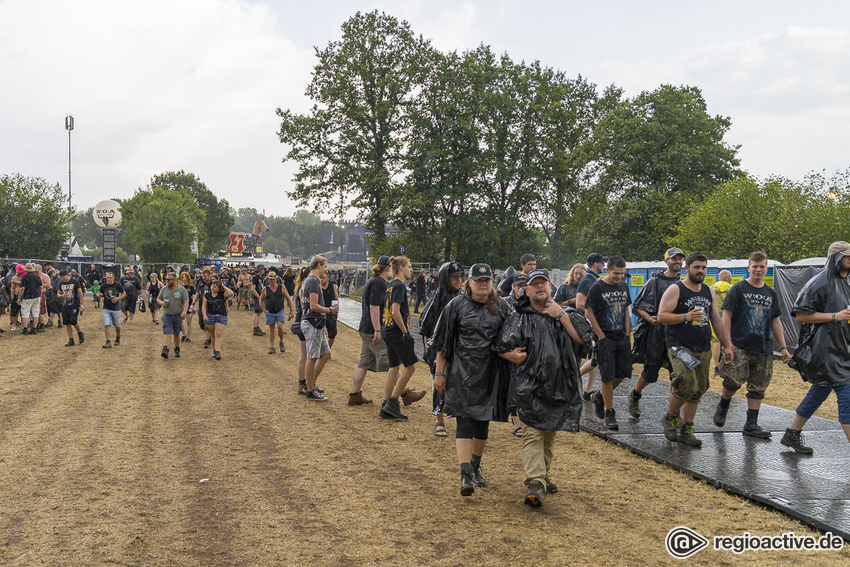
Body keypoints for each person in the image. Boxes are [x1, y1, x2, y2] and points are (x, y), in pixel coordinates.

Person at [497, 269, 584, 507]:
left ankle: (543, 474)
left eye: (542, 283)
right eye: (534, 284)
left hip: (560, 385)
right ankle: (535, 483)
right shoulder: (519, 317)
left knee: (549, 432)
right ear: (527, 290)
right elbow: (501, 345)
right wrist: (509, 355)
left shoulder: (566, 314)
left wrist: (563, 316)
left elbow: (583, 340)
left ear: (550, 286)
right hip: (529, 386)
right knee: (533, 433)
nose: (539, 287)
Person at [431, 263, 512, 496]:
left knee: (483, 422)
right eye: (479, 280)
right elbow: (443, 342)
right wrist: (439, 373)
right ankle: (465, 474)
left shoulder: (502, 307)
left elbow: (513, 335)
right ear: (469, 283)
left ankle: (476, 466)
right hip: (461, 374)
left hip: (491, 374)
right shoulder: (455, 306)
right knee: (464, 422)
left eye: (487, 280)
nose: (483, 284)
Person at [658, 251, 734, 448]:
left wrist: (727, 345)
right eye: (696, 267)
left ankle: (687, 428)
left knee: (699, 388)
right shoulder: (676, 290)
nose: (700, 271)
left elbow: (716, 320)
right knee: (685, 381)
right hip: (679, 345)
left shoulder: (709, 291)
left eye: (703, 267)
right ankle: (671, 417)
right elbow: (662, 316)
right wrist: (685, 317)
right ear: (687, 269)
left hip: (703, 346)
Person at [712, 251, 789, 438]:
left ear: (766, 269)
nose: (758, 270)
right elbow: (726, 316)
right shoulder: (737, 289)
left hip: (763, 348)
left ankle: (751, 424)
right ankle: (723, 404)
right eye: (755, 266)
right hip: (739, 345)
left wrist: (784, 347)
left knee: (758, 386)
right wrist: (726, 342)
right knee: (732, 380)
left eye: (762, 267)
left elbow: (776, 321)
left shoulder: (770, 293)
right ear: (749, 268)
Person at [782, 241, 850, 454]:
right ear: (837, 258)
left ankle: (792, 433)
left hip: (842, 348)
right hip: (824, 350)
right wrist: (833, 316)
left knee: (819, 391)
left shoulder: (847, 281)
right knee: (847, 395)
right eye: (848, 256)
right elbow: (800, 314)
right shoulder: (819, 282)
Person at [629, 247, 685, 418]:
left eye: (680, 259)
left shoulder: (684, 283)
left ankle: (673, 412)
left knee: (677, 373)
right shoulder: (654, 281)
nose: (677, 262)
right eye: (674, 259)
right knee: (650, 373)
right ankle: (635, 395)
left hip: (677, 335)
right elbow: (637, 306)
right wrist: (649, 319)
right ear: (666, 261)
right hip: (656, 334)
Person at [585, 256, 633, 430]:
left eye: (622, 274)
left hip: (621, 336)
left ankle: (599, 396)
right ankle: (609, 412)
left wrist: (628, 333)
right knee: (608, 375)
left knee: (623, 373)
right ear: (607, 270)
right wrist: (601, 336)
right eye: (616, 273)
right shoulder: (597, 287)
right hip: (604, 337)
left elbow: (627, 311)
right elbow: (588, 312)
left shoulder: (624, 286)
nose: (619, 277)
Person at [419, 261, 465, 436]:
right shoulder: (436, 300)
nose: (458, 280)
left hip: (459, 350)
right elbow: (425, 328)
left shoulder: (461, 297)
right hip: (439, 350)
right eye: (454, 277)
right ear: (446, 278)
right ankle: (439, 419)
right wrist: (429, 352)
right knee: (439, 384)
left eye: (460, 276)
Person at [379, 256, 427, 419]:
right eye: (409, 266)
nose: (411, 269)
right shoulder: (398, 285)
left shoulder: (391, 284)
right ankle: (393, 402)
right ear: (400, 268)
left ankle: (385, 405)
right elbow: (395, 311)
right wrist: (405, 332)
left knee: (394, 368)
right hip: (396, 331)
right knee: (410, 366)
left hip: (387, 329)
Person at [348, 256, 394, 407]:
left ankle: (354, 395)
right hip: (372, 329)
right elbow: (374, 307)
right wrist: (378, 330)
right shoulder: (379, 283)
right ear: (387, 268)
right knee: (392, 363)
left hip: (365, 328)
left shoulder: (373, 281)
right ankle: (405, 393)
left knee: (364, 362)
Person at [300, 256, 337, 401]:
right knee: (312, 357)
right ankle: (309, 390)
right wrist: (329, 310)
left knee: (326, 354)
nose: (326, 270)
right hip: (313, 323)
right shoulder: (313, 281)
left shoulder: (309, 281)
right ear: (319, 265)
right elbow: (313, 306)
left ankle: (310, 384)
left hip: (316, 323)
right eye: (325, 267)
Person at [576, 253, 606, 400]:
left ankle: (588, 390)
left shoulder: (593, 279)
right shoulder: (587, 280)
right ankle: (573, 376)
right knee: (597, 357)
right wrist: (596, 311)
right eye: (602, 263)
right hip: (589, 324)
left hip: (595, 323)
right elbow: (579, 304)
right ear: (595, 264)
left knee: (595, 356)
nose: (604, 265)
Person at [260, 271, 294, 355]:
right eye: (270, 279)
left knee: (279, 327)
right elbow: (261, 300)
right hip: (270, 311)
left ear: (276, 279)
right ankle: (272, 347)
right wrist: (264, 310)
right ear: (268, 280)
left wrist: (291, 309)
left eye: (273, 279)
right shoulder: (265, 289)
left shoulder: (282, 287)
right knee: (272, 329)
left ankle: (281, 341)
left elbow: (288, 298)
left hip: (279, 310)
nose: (272, 281)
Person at [158, 271, 190, 359]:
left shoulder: (181, 289)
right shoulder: (164, 289)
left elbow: (186, 301)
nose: (166, 281)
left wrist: (184, 311)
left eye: (168, 279)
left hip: (177, 315)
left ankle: (177, 349)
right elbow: (158, 299)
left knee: (176, 334)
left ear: (174, 280)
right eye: (166, 279)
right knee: (168, 332)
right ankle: (165, 349)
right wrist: (161, 303)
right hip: (167, 315)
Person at [202, 277, 233, 360]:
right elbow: (204, 306)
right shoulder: (207, 295)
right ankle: (214, 350)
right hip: (210, 315)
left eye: (215, 286)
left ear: (219, 288)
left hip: (221, 315)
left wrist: (223, 286)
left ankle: (217, 352)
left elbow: (231, 293)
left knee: (218, 333)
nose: (213, 287)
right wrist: (204, 315)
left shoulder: (222, 294)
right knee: (212, 334)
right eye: (212, 285)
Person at [711, 270, 733, 374]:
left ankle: (716, 366)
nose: (731, 279)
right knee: (728, 340)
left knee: (716, 341)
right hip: (728, 318)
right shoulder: (732, 289)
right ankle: (728, 363)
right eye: (730, 277)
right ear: (725, 278)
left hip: (714, 318)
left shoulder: (711, 288)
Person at [97, 271, 126, 348]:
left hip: (115, 308)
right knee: (107, 324)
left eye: (110, 278)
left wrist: (117, 298)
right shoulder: (103, 286)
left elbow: (124, 294)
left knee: (117, 325)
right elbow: (99, 293)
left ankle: (118, 336)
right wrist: (98, 295)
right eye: (107, 278)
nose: (108, 279)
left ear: (113, 278)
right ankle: (108, 341)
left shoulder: (117, 285)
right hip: (106, 308)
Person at [58, 269, 85, 346]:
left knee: (73, 320)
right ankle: (71, 339)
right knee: (67, 322)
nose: (63, 279)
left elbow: (80, 293)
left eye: (64, 277)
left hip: (74, 304)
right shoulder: (61, 283)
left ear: (67, 275)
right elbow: (58, 294)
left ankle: (80, 332)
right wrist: (61, 296)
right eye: (61, 277)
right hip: (65, 305)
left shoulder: (75, 282)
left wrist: (81, 304)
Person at [17, 263, 43, 335]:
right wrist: (40, 296)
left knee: (25, 312)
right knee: (35, 312)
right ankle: (34, 328)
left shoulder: (25, 277)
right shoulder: (37, 276)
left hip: (27, 296)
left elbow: (22, 288)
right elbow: (41, 287)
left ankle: (25, 329)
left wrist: (19, 297)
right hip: (36, 296)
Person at [194, 269, 214, 347]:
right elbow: (197, 294)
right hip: (201, 306)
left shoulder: (213, 284)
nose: (203, 277)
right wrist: (193, 303)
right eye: (202, 276)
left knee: (208, 323)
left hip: (211, 307)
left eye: (205, 276)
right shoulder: (201, 284)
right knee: (202, 324)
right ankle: (209, 336)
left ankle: (206, 340)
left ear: (209, 275)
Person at [320, 270, 339, 348]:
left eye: (323, 278)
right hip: (321, 311)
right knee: (322, 333)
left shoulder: (333, 287)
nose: (321, 279)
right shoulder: (317, 287)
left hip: (331, 312)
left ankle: (328, 349)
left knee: (333, 333)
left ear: (328, 278)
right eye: (320, 278)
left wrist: (335, 312)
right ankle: (322, 350)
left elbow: (336, 299)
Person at [178, 272, 195, 342]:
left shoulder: (191, 287)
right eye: (183, 277)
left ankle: (188, 336)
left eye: (185, 277)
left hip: (189, 305)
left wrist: (193, 305)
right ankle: (184, 334)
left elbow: (193, 296)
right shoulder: (179, 287)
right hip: (181, 305)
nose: (184, 279)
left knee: (188, 322)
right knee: (180, 321)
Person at [251, 265, 267, 336]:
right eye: (261, 269)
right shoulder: (255, 277)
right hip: (257, 297)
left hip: (260, 297)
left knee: (259, 313)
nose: (263, 270)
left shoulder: (260, 277)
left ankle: (257, 327)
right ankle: (255, 328)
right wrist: (258, 297)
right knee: (257, 312)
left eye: (263, 269)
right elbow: (253, 288)